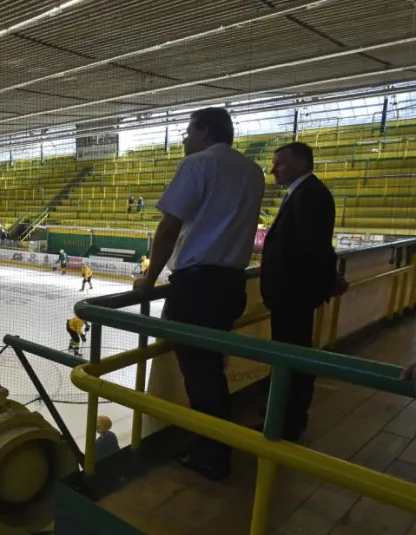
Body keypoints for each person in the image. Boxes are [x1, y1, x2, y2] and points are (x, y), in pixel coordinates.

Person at [133, 107, 265, 481]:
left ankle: (211, 453)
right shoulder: (252, 171)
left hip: (197, 285)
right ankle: (214, 444)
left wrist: (149, 279)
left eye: (188, 132)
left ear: (205, 132)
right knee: (211, 368)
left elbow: (169, 225)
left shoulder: (198, 164)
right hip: (230, 285)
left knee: (201, 373)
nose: (184, 139)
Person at [260, 142, 348, 441]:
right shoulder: (304, 192)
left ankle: (288, 422)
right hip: (290, 294)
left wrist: (328, 280)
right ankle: (282, 413)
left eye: (280, 163)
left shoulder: (310, 194)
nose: (273, 169)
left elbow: (315, 247)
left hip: (292, 295)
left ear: (300, 162)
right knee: (289, 355)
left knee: (292, 357)